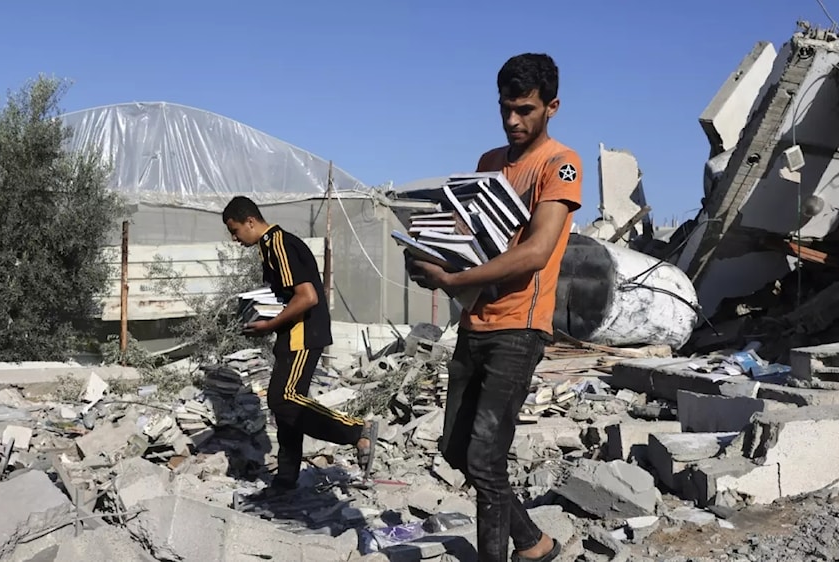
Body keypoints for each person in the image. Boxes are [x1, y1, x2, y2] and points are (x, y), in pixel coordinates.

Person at [407, 53, 581, 562]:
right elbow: (470, 234)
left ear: (552, 107)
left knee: (485, 457)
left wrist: (455, 278)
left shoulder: (559, 164)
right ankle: (533, 543)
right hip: (475, 323)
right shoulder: (488, 164)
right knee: (458, 450)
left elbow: (536, 251)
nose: (512, 120)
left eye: (525, 110)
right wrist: (429, 252)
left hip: (519, 329)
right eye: (505, 108)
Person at [222, 196, 378, 495]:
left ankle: (357, 430)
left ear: (250, 221)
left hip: (302, 333)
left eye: (235, 230)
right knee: (284, 409)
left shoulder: (279, 244)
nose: (234, 238)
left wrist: (270, 324)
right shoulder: (268, 247)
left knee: (284, 399)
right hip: (290, 334)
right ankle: (285, 479)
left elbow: (307, 297)